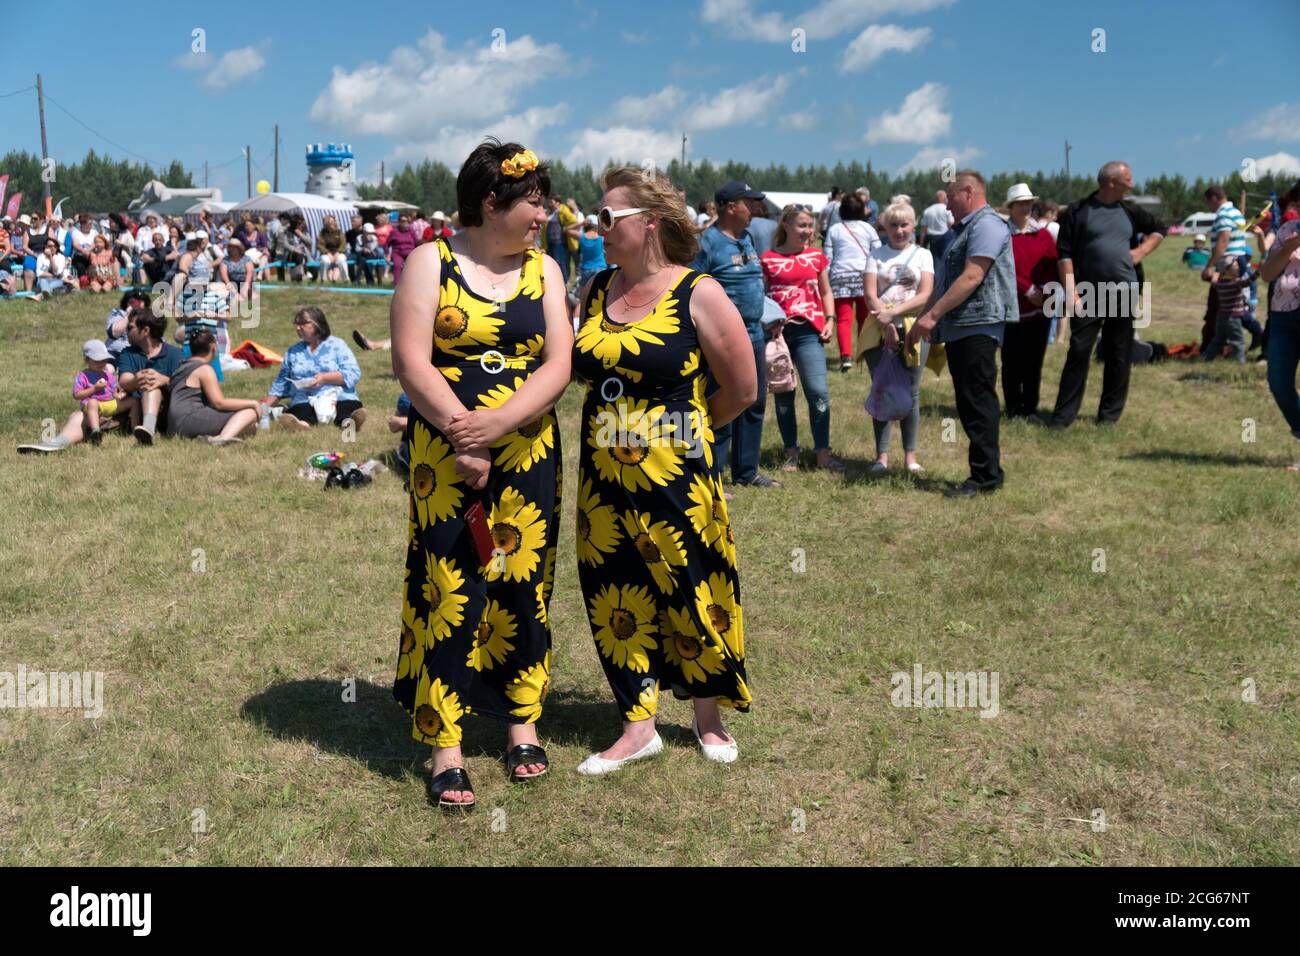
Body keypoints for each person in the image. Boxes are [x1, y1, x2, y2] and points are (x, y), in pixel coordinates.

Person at [390, 140, 571, 808]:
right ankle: (447, 746)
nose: (543, 214)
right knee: (450, 584)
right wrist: (464, 431)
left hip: (528, 455)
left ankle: (522, 720)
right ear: (489, 203)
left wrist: (498, 427)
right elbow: (413, 363)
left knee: (523, 584)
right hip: (446, 459)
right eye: (532, 201)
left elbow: (558, 365)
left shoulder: (545, 270)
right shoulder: (427, 262)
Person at [572, 164, 754, 775]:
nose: (597, 228)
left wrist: (685, 432)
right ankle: (637, 725)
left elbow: (742, 388)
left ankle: (708, 717)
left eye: (607, 218)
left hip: (677, 478)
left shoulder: (697, 291)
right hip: (602, 480)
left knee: (690, 589)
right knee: (614, 593)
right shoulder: (594, 289)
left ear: (647, 224)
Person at [905, 169, 1017, 497]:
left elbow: (972, 277)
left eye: (950, 197)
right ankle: (988, 472)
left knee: (977, 401)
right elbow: (945, 283)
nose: (946, 205)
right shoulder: (967, 228)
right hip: (961, 327)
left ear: (968, 192)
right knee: (970, 401)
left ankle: (984, 478)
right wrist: (926, 317)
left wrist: (932, 317)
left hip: (977, 326)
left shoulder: (987, 225)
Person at [1048, 161, 1166, 429]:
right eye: (1128, 178)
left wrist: (1142, 251)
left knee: (1119, 352)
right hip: (1088, 293)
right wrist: (1071, 291)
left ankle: (1109, 416)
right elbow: (1064, 255)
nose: (1132, 183)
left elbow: (1160, 229)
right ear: (1112, 182)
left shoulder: (1130, 210)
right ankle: (1062, 417)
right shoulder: (1078, 211)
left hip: (1124, 291)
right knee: (1078, 350)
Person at [691, 180, 781, 488]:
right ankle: (713, 476)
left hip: (755, 334)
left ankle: (746, 472)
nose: (755, 208)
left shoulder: (747, 240)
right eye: (749, 203)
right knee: (723, 404)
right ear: (731, 207)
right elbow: (691, 286)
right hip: (722, 340)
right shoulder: (709, 243)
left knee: (753, 401)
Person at [760, 204, 841, 472]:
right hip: (777, 334)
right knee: (784, 393)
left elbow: (826, 291)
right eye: (802, 225)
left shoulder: (816, 257)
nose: (808, 231)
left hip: (809, 330)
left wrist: (830, 320)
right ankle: (791, 454)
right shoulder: (768, 259)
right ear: (786, 226)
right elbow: (761, 296)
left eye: (810, 226)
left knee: (818, 392)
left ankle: (823, 454)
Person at [863, 198, 936, 474]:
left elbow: (925, 294)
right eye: (893, 225)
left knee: (912, 393)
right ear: (885, 227)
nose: (900, 230)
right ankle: (881, 457)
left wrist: (894, 315)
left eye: (904, 224)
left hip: (914, 327)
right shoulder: (876, 254)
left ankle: (910, 457)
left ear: (913, 225)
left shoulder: (923, 255)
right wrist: (887, 324)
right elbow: (870, 293)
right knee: (881, 389)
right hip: (879, 327)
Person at [1002, 183, 1061, 420]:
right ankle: (1013, 408)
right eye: (1020, 203)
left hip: (1041, 307)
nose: (1025, 207)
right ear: (1011, 207)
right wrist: (1027, 290)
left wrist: (1045, 289)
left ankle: (1030, 408)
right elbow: (1001, 267)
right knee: (1012, 360)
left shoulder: (1044, 234)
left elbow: (1053, 264)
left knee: (1034, 361)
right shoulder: (1002, 235)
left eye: (1028, 203)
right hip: (1013, 306)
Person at [264, 307, 365, 430]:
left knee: (345, 407)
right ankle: (300, 425)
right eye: (296, 324)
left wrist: (324, 378)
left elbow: (353, 373)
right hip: (305, 397)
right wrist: (262, 408)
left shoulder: (337, 345)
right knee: (301, 409)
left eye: (303, 324)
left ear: (318, 324)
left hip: (339, 394)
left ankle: (349, 423)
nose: (298, 328)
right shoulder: (293, 352)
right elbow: (281, 384)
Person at [1259, 184, 1300, 470]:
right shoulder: (1288, 231)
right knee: (1278, 382)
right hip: (1283, 316)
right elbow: (1267, 273)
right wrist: (1286, 250)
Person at [166, 330, 262, 444]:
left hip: (173, 426)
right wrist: (253, 403)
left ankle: (224, 434)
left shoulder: (181, 367)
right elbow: (219, 403)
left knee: (244, 424)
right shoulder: (204, 369)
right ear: (213, 348)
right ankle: (222, 438)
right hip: (189, 421)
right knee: (249, 412)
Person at [824, 192, 882, 371]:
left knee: (843, 320)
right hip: (865, 277)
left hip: (840, 277)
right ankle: (864, 353)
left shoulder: (834, 229)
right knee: (864, 319)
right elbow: (878, 251)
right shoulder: (868, 229)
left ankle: (845, 356)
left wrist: (825, 278)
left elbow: (828, 257)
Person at [117, 305, 185, 444]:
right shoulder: (128, 353)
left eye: (130, 328)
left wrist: (164, 380)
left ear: (145, 331)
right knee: (149, 384)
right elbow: (124, 381)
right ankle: (147, 430)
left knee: (152, 385)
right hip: (136, 410)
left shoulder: (174, 354)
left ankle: (148, 429)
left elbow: (185, 384)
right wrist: (137, 379)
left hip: (168, 412)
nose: (126, 331)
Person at [73, 340, 137, 444]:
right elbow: (77, 395)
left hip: (109, 403)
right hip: (93, 406)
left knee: (133, 401)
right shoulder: (83, 376)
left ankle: (135, 429)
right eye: (96, 361)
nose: (101, 364)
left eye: (103, 360)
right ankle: (95, 431)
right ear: (87, 360)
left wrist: (119, 394)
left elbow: (113, 390)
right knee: (92, 402)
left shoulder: (108, 375)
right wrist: (94, 389)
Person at [1203, 257, 1253, 363]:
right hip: (1234, 318)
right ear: (1226, 270)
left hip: (1221, 317)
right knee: (1238, 342)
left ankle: (1206, 358)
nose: (1238, 268)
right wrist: (1258, 272)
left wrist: (1215, 276)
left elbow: (1213, 282)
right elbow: (1247, 282)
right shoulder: (1235, 283)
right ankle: (1240, 363)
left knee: (1217, 340)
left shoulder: (1220, 284)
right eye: (1235, 266)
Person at [1201, 184, 1249, 283]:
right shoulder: (1236, 212)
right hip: (1238, 259)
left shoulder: (1223, 215)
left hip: (1229, 263)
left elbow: (1223, 242)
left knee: (1226, 295)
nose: (1207, 205)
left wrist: (1209, 266)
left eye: (1207, 202)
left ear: (1214, 199)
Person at [569, 213, 607, 291]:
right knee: (600, 292)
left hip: (586, 269)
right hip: (600, 268)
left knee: (585, 293)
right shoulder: (602, 237)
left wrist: (581, 223)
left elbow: (567, 229)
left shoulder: (582, 237)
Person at [919, 190, 954, 259]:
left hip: (932, 240)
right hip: (945, 239)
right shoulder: (947, 209)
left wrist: (921, 244)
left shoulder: (927, 210)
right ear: (944, 198)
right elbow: (951, 225)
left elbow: (923, 230)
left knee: (933, 260)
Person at [385, 213, 418, 285]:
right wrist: (387, 255)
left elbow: (417, 244)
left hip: (410, 252)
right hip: (397, 252)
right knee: (397, 265)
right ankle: (397, 286)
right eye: (403, 221)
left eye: (407, 221)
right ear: (399, 221)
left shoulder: (412, 232)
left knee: (412, 266)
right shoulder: (394, 232)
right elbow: (387, 244)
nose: (405, 223)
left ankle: (412, 285)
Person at [317, 215, 348, 283]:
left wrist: (338, 252)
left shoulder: (339, 232)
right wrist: (327, 253)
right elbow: (320, 245)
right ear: (326, 224)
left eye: (333, 222)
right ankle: (323, 280)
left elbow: (343, 244)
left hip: (339, 252)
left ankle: (345, 280)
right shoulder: (322, 233)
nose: (332, 223)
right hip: (327, 253)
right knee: (325, 260)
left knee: (341, 259)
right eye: (330, 222)